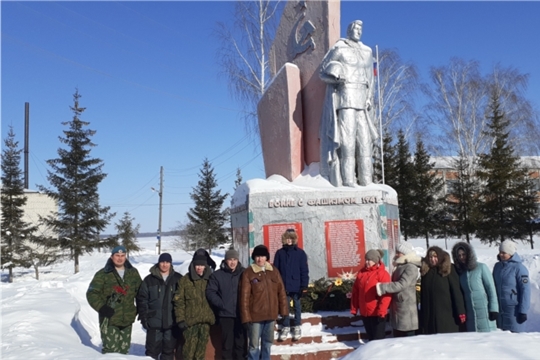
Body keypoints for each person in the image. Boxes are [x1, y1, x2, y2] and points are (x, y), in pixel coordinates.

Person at [319, 20, 377, 187]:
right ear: (349, 30)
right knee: (347, 142)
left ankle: (366, 180)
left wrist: (369, 97)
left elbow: (370, 78)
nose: (358, 31)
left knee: (365, 143)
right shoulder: (340, 48)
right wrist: (335, 76)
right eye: (356, 28)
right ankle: (348, 180)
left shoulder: (367, 51)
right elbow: (323, 72)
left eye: (361, 28)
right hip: (345, 99)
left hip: (362, 101)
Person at [86, 245, 142, 354]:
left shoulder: (133, 273)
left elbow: (141, 293)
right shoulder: (103, 274)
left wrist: (141, 309)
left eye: (122, 255)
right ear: (112, 257)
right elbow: (92, 293)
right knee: (111, 352)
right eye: (117, 255)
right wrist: (102, 307)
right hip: (109, 319)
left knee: (124, 351)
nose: (120, 258)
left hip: (127, 318)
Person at [239, 245, 288, 360]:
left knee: (267, 344)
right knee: (254, 346)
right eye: (257, 256)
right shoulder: (248, 273)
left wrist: (284, 311)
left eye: (262, 256)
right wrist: (246, 318)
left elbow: (281, 292)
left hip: (270, 316)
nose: (259, 259)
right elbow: (244, 297)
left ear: (266, 257)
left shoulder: (274, 271)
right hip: (255, 317)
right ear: (254, 258)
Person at [136, 253, 183, 360]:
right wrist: (144, 318)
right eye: (162, 262)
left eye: (167, 262)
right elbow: (142, 299)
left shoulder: (178, 279)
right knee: (151, 352)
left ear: (171, 264)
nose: (164, 265)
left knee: (168, 352)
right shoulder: (149, 280)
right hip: (154, 324)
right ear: (158, 263)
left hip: (171, 323)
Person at [206, 248, 247, 360]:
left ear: (238, 260)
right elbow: (210, 292)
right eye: (230, 259)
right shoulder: (218, 275)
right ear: (225, 261)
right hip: (225, 316)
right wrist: (221, 304)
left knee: (241, 345)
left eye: (234, 259)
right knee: (227, 346)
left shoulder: (244, 273)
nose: (232, 262)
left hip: (241, 315)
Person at [174, 253, 215, 360]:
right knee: (189, 351)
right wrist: (180, 319)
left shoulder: (210, 279)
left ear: (205, 266)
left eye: (202, 265)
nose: (199, 268)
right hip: (190, 321)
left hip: (205, 321)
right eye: (197, 265)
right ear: (193, 265)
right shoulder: (185, 280)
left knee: (200, 352)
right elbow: (179, 301)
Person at [376, 242, 421, 337]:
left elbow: (402, 284)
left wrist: (383, 287)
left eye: (398, 252)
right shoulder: (400, 266)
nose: (396, 254)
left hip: (406, 310)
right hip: (399, 308)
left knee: (408, 338)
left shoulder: (410, 267)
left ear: (405, 253)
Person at [451, 242, 499, 333]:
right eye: (459, 255)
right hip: (470, 313)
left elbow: (491, 289)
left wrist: (494, 309)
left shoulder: (482, 267)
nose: (461, 257)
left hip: (484, 310)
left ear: (469, 254)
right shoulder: (461, 273)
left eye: (464, 254)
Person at [419, 246, 466, 334]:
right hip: (429, 318)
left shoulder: (448, 269)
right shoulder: (426, 272)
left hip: (447, 316)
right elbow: (423, 296)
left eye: (435, 257)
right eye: (430, 257)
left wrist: (461, 312)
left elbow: (456, 292)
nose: (433, 260)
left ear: (439, 257)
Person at [273, 229, 309, 341]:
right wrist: (277, 285)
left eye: (291, 238)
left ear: (294, 240)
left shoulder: (300, 253)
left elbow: (304, 270)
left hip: (296, 284)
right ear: (284, 239)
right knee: (285, 306)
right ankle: (286, 326)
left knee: (297, 306)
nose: (289, 240)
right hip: (284, 285)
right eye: (287, 238)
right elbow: (276, 270)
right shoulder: (279, 253)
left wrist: (304, 285)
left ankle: (297, 325)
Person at [351, 249, 391, 341]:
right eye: (366, 259)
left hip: (377, 313)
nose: (367, 262)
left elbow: (386, 295)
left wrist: (382, 311)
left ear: (375, 261)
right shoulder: (361, 273)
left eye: (369, 260)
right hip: (365, 312)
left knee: (378, 340)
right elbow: (356, 291)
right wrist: (354, 308)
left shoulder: (383, 274)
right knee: (370, 338)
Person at [492, 240, 531, 332]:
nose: (501, 254)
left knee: (515, 341)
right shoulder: (497, 266)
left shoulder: (519, 268)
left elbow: (525, 290)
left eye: (503, 252)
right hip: (500, 309)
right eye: (500, 252)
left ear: (510, 253)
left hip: (514, 311)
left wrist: (523, 311)